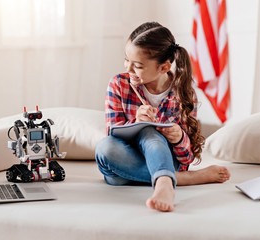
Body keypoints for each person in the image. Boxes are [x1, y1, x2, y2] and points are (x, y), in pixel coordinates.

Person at [95, 22, 230, 212]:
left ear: (164, 67)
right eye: (127, 60)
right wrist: (136, 122)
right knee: (104, 149)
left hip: (158, 160)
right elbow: (113, 134)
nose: (129, 69)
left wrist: (179, 138)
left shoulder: (184, 94)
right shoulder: (118, 84)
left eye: (138, 66)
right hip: (126, 159)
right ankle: (177, 178)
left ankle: (165, 182)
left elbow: (186, 159)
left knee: (149, 133)